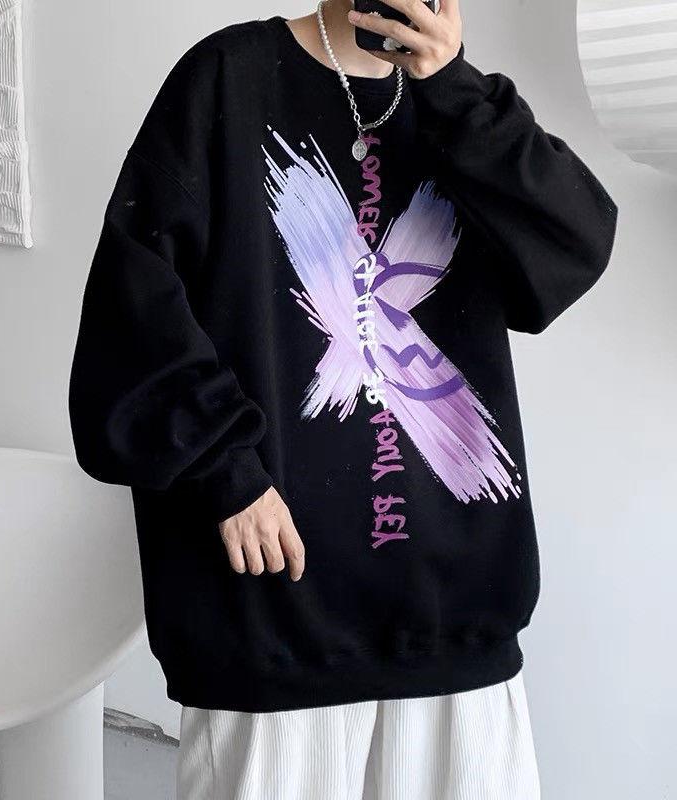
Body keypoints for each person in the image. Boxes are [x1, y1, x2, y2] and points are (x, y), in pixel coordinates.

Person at [68, 0, 618, 796]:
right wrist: (225, 472)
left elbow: (574, 247)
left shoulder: (463, 111)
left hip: (453, 625)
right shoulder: (226, 79)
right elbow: (132, 311)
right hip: (272, 617)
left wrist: (453, 88)